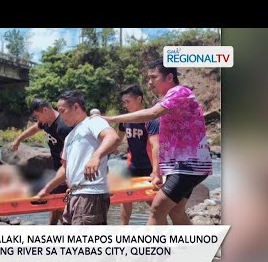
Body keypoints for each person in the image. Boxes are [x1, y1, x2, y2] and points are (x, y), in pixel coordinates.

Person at [104, 59, 212, 225]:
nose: (149, 82)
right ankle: (200, 249)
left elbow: (152, 114)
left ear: (169, 77)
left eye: (153, 77)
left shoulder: (179, 92)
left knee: (157, 208)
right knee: (176, 213)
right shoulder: (168, 98)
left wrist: (111, 118)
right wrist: (160, 171)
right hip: (179, 165)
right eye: (148, 78)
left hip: (189, 164)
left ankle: (146, 249)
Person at [37, 90, 120, 225]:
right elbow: (65, 168)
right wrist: (47, 188)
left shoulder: (92, 122)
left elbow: (113, 137)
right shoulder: (70, 136)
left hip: (91, 193)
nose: (60, 116)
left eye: (62, 111)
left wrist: (96, 156)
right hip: (73, 195)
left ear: (76, 107)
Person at [11, 98, 73, 224]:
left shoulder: (62, 126)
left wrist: (70, 180)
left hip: (67, 171)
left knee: (65, 206)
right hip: (57, 169)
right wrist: (19, 139)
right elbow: (35, 128)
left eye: (37, 116)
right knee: (54, 203)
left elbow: (74, 154)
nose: (37, 119)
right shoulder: (45, 122)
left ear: (45, 110)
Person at [114, 84, 160, 225]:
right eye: (124, 102)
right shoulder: (125, 119)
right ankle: (123, 232)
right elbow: (117, 140)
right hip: (131, 165)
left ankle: (164, 234)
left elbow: (155, 145)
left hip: (148, 167)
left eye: (128, 101)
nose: (125, 105)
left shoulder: (150, 119)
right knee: (124, 198)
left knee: (156, 206)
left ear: (139, 99)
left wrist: (156, 172)